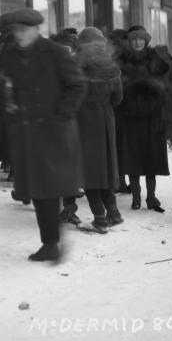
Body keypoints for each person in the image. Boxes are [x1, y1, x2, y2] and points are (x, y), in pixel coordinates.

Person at [0, 9, 87, 262]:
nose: (19, 35)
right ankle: (49, 243)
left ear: (37, 30)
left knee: (49, 187)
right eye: (16, 31)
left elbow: (77, 85)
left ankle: (51, 242)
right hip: (25, 132)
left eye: (24, 30)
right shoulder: (10, 55)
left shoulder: (55, 53)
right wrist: (9, 109)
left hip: (53, 131)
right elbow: (3, 86)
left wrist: (60, 116)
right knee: (38, 189)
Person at [74, 27, 124, 233]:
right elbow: (118, 98)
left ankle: (100, 219)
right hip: (106, 122)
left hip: (83, 122)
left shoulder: (76, 65)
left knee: (89, 172)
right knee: (105, 169)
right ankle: (114, 213)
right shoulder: (110, 66)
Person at [115, 25, 169, 213]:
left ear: (146, 41)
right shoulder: (121, 61)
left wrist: (153, 105)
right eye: (134, 39)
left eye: (141, 39)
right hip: (129, 117)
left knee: (150, 158)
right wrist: (125, 105)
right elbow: (117, 88)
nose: (138, 42)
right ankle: (136, 198)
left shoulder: (155, 60)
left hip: (151, 117)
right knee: (133, 158)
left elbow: (164, 89)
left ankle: (151, 197)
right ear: (130, 42)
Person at [50, 27, 84, 225]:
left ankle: (70, 208)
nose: (65, 52)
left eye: (68, 49)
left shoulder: (78, 67)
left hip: (72, 123)